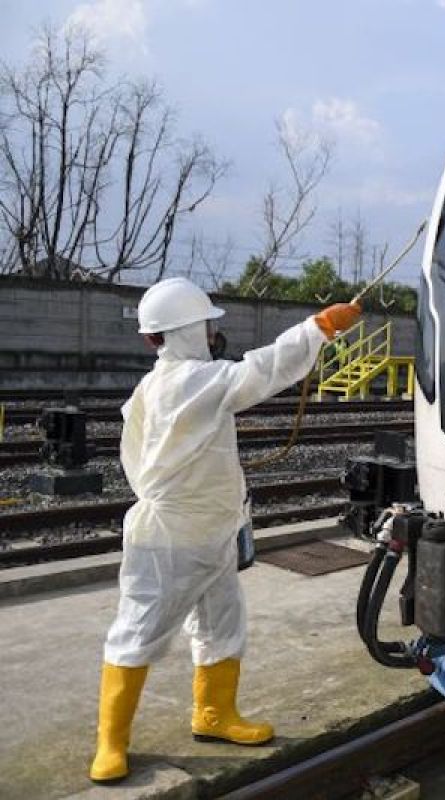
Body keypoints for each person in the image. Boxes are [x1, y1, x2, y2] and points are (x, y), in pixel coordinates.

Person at [90, 277, 361, 783]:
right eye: (207, 324)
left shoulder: (158, 383)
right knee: (139, 628)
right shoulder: (193, 381)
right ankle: (110, 742)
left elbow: (133, 453)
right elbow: (264, 369)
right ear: (189, 329)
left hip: (208, 528)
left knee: (221, 621)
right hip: (171, 536)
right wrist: (319, 328)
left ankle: (213, 715)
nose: (214, 332)